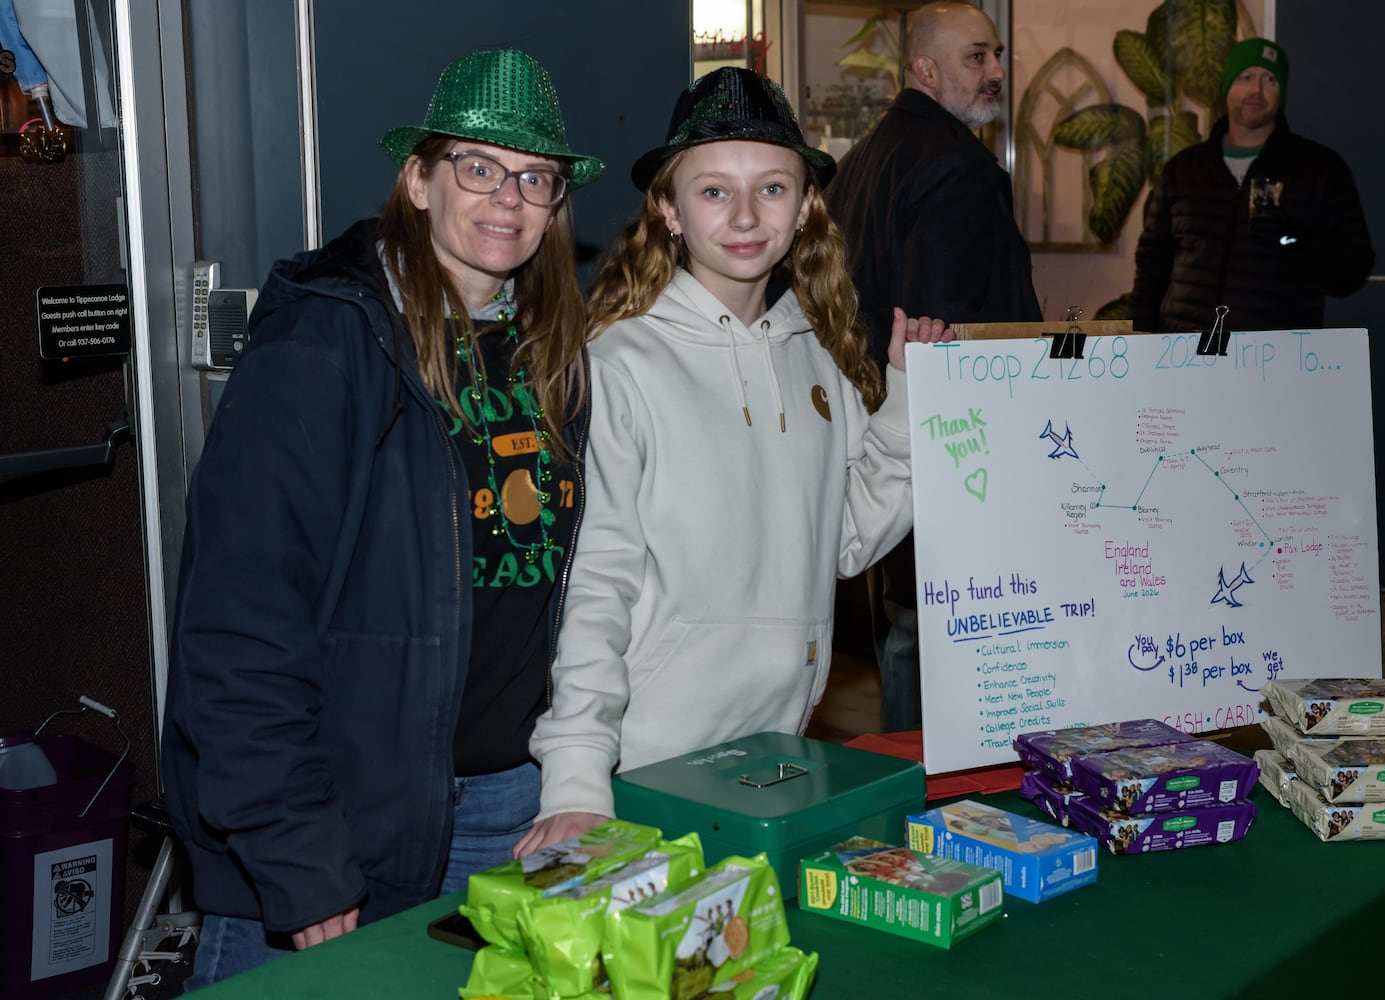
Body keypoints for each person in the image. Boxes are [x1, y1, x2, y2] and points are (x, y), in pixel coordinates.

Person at [160, 49, 602, 984]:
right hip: (337, 831)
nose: (507, 197)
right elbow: (237, 628)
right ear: (418, 179)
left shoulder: (551, 351)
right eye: (477, 167)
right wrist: (300, 859)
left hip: (505, 811)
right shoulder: (328, 343)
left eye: (535, 178)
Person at [516, 68, 951, 852]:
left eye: (773, 189)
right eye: (714, 191)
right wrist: (577, 781)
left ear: (808, 204)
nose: (746, 216)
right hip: (647, 766)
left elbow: (845, 538)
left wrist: (909, 402)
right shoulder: (620, 363)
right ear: (668, 210)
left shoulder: (815, 355)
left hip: (777, 754)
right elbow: (595, 585)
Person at [825, 0, 1041, 732]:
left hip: (883, 435)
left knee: (906, 629)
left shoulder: (861, 161)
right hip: (953, 446)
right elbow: (940, 331)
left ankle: (908, 795)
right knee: (938, 645)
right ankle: (942, 805)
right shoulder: (955, 168)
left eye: (996, 56)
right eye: (976, 57)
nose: (996, 73)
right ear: (924, 68)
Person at [1130, 37, 1374, 333]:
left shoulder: (1320, 170)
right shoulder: (1183, 170)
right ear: (1227, 88)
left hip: (1274, 359)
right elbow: (1151, 266)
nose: (1256, 90)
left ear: (1281, 92)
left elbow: (1354, 269)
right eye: (1245, 77)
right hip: (1184, 356)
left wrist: (1296, 241)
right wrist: (1140, 339)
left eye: (1269, 79)